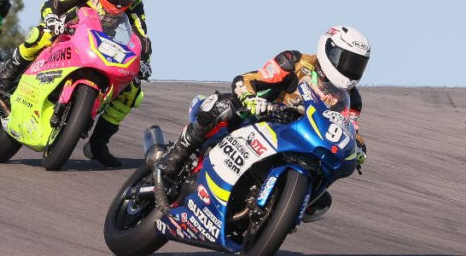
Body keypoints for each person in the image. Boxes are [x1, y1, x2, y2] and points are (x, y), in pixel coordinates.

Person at [155, 25, 371, 221]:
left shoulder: (352, 99)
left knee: (321, 202)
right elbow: (249, 79)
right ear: (328, 50)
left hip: (301, 141)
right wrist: (251, 98)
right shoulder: (294, 61)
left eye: (357, 65)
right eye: (346, 60)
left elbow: (349, 127)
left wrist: (357, 146)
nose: (350, 69)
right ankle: (176, 156)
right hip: (261, 118)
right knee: (222, 106)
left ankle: (278, 215)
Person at [0, 0, 153, 167]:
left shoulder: (135, 4)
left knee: (132, 92)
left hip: (106, 50)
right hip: (70, 32)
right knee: (40, 34)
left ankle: (98, 144)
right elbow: (53, 3)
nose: (121, 0)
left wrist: (144, 62)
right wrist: (52, 19)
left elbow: (141, 36)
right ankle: (9, 73)